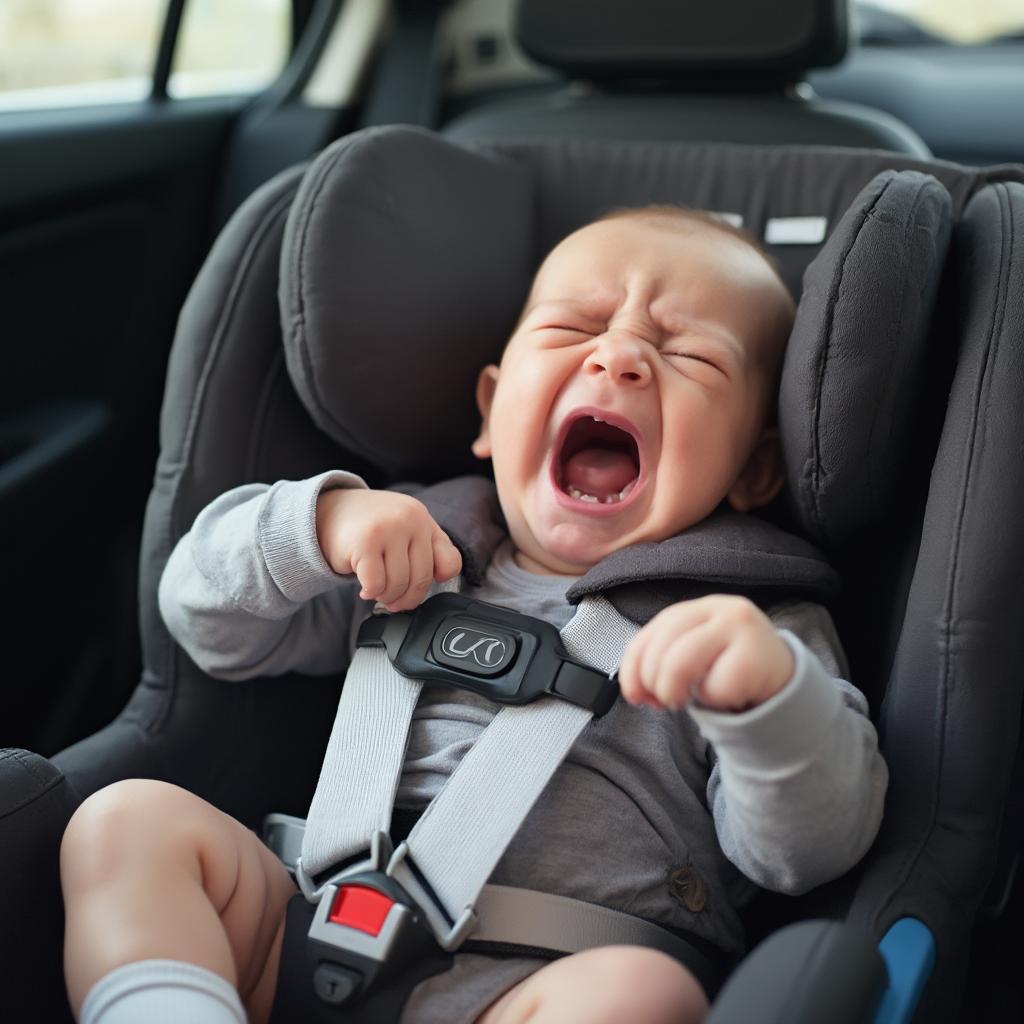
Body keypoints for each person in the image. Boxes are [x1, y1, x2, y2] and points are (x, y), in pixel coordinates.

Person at [59, 206, 888, 1024]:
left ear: (754, 469)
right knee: (127, 821)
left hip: (544, 979)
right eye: (574, 328)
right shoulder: (404, 547)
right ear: (491, 412)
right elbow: (204, 624)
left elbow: (808, 854)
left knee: (644, 996)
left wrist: (770, 702)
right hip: (304, 937)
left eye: (691, 355)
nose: (621, 355)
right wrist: (314, 529)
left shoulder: (741, 629)